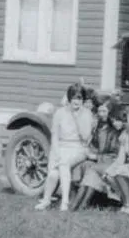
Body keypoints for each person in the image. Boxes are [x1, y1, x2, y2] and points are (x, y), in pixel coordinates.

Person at [35, 83, 95, 211]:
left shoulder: (87, 114)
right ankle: (46, 200)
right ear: (69, 98)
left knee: (63, 163)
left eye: (79, 98)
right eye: (73, 98)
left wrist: (77, 118)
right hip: (61, 147)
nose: (76, 101)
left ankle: (65, 202)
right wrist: (56, 152)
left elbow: (85, 137)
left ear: (83, 100)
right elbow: (55, 136)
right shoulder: (60, 113)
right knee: (53, 174)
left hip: (79, 148)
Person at [71, 99, 124, 211]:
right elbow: (92, 146)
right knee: (87, 168)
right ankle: (78, 205)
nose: (101, 114)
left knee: (92, 170)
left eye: (104, 111)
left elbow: (116, 152)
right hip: (99, 160)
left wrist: (97, 157)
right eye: (99, 111)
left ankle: (77, 206)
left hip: (111, 161)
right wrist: (90, 153)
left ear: (110, 113)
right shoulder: (97, 127)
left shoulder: (115, 130)